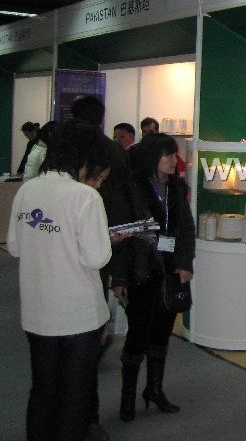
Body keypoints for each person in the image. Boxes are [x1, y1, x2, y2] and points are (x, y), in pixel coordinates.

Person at [7, 120, 114, 441]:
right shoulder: (85, 197)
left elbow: (14, 246)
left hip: (37, 311)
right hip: (77, 316)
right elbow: (97, 258)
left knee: (42, 391)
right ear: (83, 159)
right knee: (74, 397)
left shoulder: (27, 190)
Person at [71, 95, 147, 440]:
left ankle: (72, 417)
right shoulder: (109, 152)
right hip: (99, 250)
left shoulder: (63, 151)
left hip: (65, 255)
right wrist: (120, 268)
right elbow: (121, 210)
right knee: (88, 335)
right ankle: (88, 418)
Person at [114, 133, 195, 422]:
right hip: (140, 269)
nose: (175, 160)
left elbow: (186, 228)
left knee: (162, 331)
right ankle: (127, 397)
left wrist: (184, 263)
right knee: (137, 334)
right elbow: (120, 236)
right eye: (169, 155)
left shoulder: (177, 187)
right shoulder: (131, 189)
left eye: (175, 154)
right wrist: (119, 278)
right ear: (152, 158)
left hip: (170, 270)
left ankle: (154, 389)